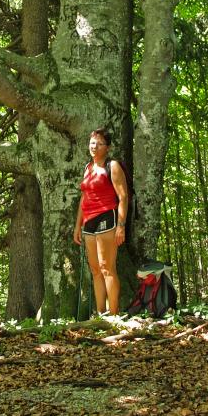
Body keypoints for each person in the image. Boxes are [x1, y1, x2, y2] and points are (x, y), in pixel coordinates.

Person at [73, 128, 129, 316]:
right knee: (95, 269)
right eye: (92, 143)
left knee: (107, 268)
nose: (94, 147)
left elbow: (123, 197)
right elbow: (83, 198)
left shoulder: (112, 166)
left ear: (108, 147)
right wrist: (77, 225)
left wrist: (121, 226)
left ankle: (113, 316)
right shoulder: (87, 168)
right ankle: (100, 313)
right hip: (88, 222)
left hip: (107, 217)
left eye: (99, 143)